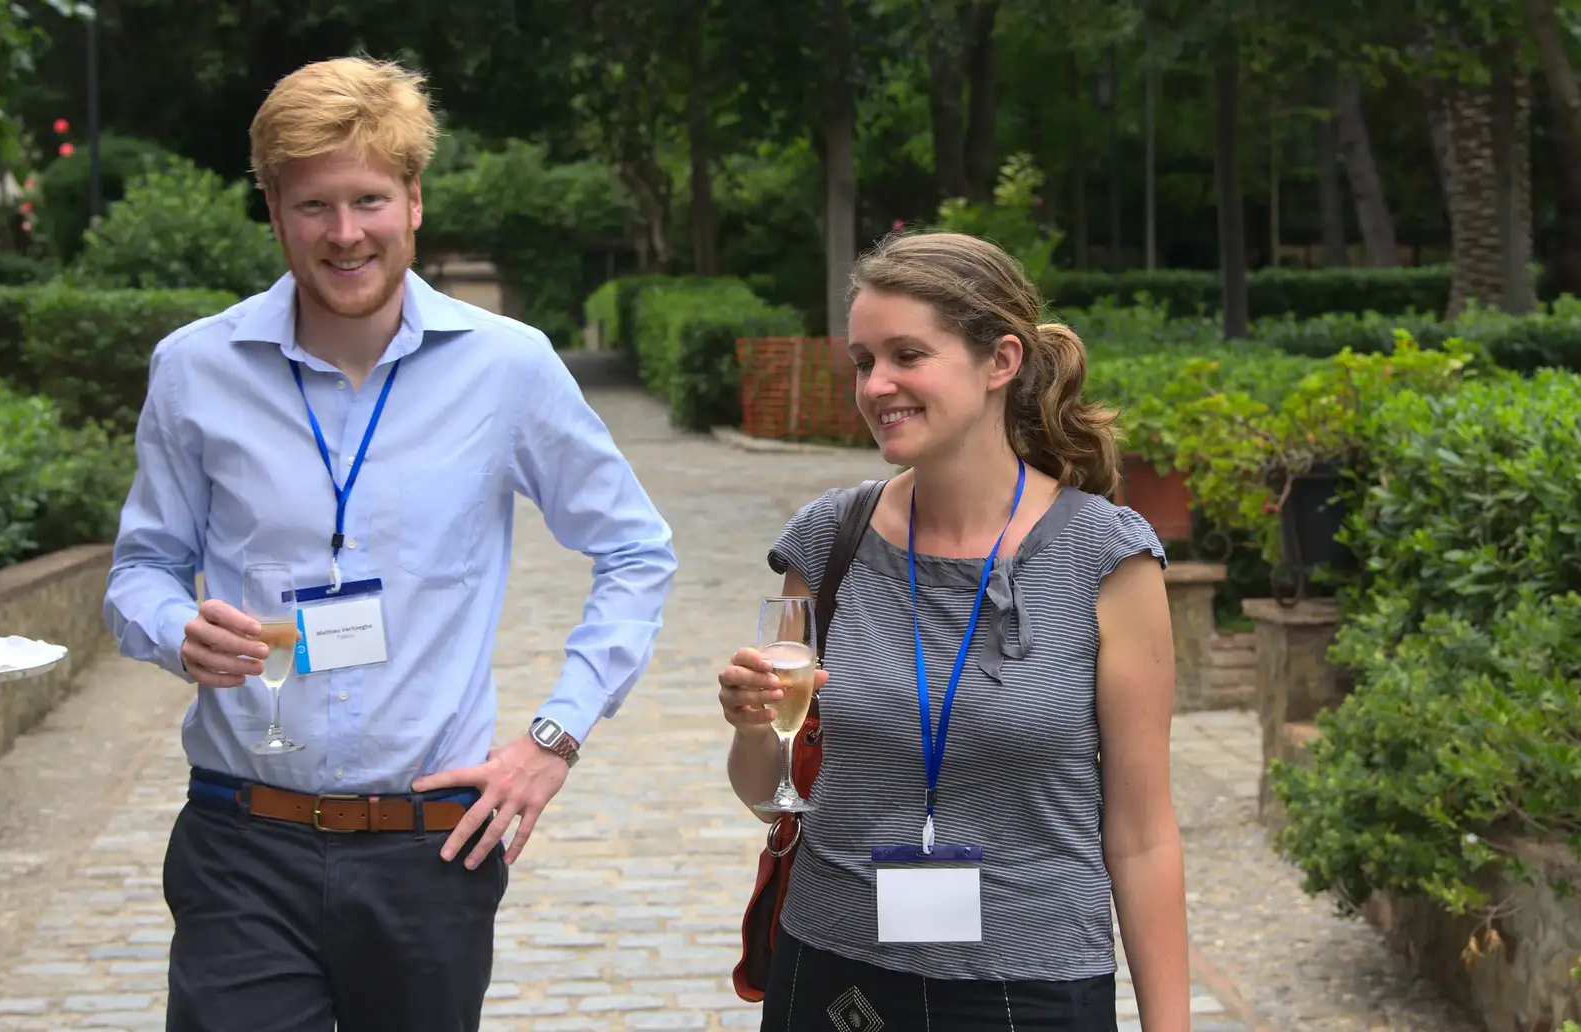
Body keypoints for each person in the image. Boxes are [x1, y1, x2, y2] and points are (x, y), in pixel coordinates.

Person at [103, 56, 676, 1031]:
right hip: (243, 835)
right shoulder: (195, 369)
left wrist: (555, 737)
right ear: (275, 212)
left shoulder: (508, 368)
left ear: (413, 201)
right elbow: (141, 569)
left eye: (368, 198)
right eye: (312, 206)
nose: (344, 234)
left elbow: (634, 550)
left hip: (431, 849)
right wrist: (171, 629)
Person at [717, 231, 1190, 1030]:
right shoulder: (829, 541)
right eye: (864, 361)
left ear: (1000, 361)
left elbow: (1143, 836)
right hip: (835, 977)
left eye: (907, 354)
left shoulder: (1106, 558)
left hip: (1034, 987)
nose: (877, 386)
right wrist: (752, 726)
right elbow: (774, 801)